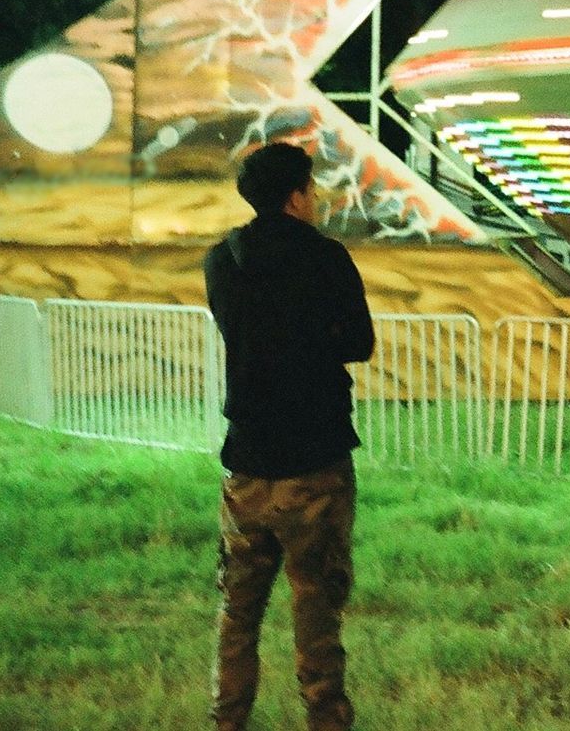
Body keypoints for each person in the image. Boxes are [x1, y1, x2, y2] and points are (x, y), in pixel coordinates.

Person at [203, 142, 376, 731]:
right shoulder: (327, 259)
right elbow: (359, 343)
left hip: (247, 461)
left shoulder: (221, 259)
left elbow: (239, 328)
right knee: (317, 607)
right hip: (315, 462)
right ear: (297, 196)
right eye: (313, 187)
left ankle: (227, 720)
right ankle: (326, 719)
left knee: (237, 612)